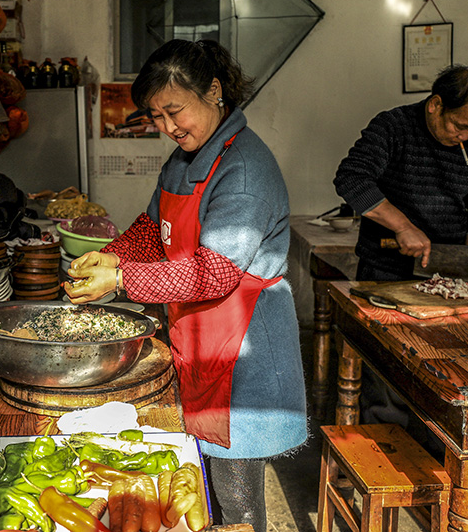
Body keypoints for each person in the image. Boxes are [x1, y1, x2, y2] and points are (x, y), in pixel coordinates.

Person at [63, 38, 307, 532]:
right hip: (199, 334)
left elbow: (215, 272)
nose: (168, 128)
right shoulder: (184, 160)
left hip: (245, 350)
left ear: (214, 91)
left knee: (236, 497)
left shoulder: (243, 171)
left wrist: (122, 277)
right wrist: (113, 255)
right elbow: (154, 228)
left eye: (174, 111)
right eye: (156, 117)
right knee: (203, 483)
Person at [333, 64, 468, 446]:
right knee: (389, 371)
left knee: (443, 370)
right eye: (460, 125)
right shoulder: (393, 127)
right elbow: (351, 178)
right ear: (435, 104)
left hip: (446, 278)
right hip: (385, 269)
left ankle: (432, 453)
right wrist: (402, 226)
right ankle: (384, 452)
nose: (467, 136)